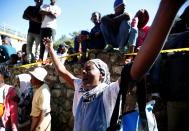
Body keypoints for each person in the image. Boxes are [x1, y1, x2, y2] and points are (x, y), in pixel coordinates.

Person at [44, 0, 187, 130]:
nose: (83, 72)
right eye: (83, 69)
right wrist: (50, 49)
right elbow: (62, 70)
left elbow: (135, 72)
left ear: (102, 74)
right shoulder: (79, 86)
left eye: (89, 69)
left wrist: (167, 8)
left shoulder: (108, 93)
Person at [29, 67, 51, 131]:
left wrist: (36, 127)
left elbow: (43, 112)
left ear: (38, 79)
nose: (30, 80)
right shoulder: (39, 88)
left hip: (40, 121)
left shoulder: (43, 91)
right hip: (37, 119)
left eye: (32, 78)